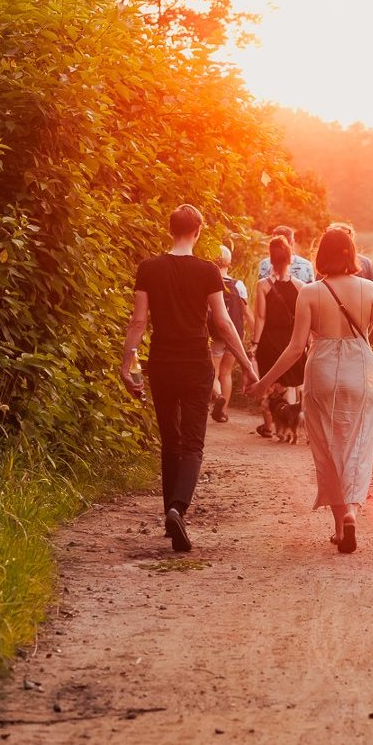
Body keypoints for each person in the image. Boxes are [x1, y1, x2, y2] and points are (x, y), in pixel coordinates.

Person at [248, 226, 373, 553]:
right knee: (357, 445)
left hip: (321, 371)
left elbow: (294, 349)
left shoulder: (310, 292)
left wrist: (264, 382)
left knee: (329, 447)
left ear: (321, 256)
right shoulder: (369, 289)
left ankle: (338, 525)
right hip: (360, 370)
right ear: (352, 253)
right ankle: (350, 511)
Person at [122, 204, 258, 553]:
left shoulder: (148, 268)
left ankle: (170, 516)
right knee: (193, 443)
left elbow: (138, 322)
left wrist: (128, 364)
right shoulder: (208, 271)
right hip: (197, 363)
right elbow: (224, 323)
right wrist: (246, 362)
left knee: (170, 439)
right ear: (197, 231)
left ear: (171, 229)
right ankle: (177, 508)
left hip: (162, 363)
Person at [250, 234, 307, 438]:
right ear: (290, 258)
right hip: (291, 340)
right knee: (291, 384)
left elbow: (260, 317)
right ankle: (291, 430)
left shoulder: (263, 285)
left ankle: (271, 428)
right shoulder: (300, 287)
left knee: (271, 383)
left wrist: (255, 343)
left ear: (271, 260)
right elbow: (303, 319)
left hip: (269, 341)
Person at [210, 244, 250, 424]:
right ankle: (223, 412)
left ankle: (217, 396)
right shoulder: (238, 285)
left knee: (213, 372)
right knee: (225, 373)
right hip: (235, 335)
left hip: (215, 334)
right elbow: (247, 312)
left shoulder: (209, 282)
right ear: (229, 262)